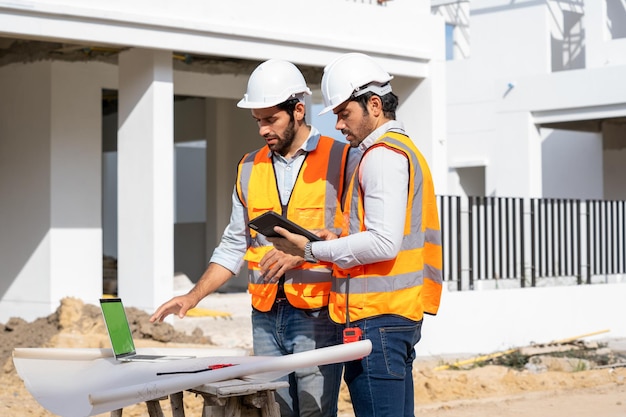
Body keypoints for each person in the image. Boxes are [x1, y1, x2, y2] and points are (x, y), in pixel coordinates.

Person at [150, 59, 353, 417]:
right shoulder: (248, 167)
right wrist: (192, 296)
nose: (262, 129)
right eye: (257, 120)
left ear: (299, 110)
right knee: (272, 411)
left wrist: (305, 252)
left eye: (270, 119)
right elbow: (233, 243)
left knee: (314, 413)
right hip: (265, 315)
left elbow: (355, 233)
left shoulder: (341, 158)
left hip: (318, 313)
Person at [269, 52, 443, 417]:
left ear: (374, 105)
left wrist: (312, 250)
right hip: (392, 317)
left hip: (377, 319)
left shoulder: (381, 156)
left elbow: (382, 241)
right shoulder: (402, 151)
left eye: (344, 113)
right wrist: (334, 237)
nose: (339, 124)